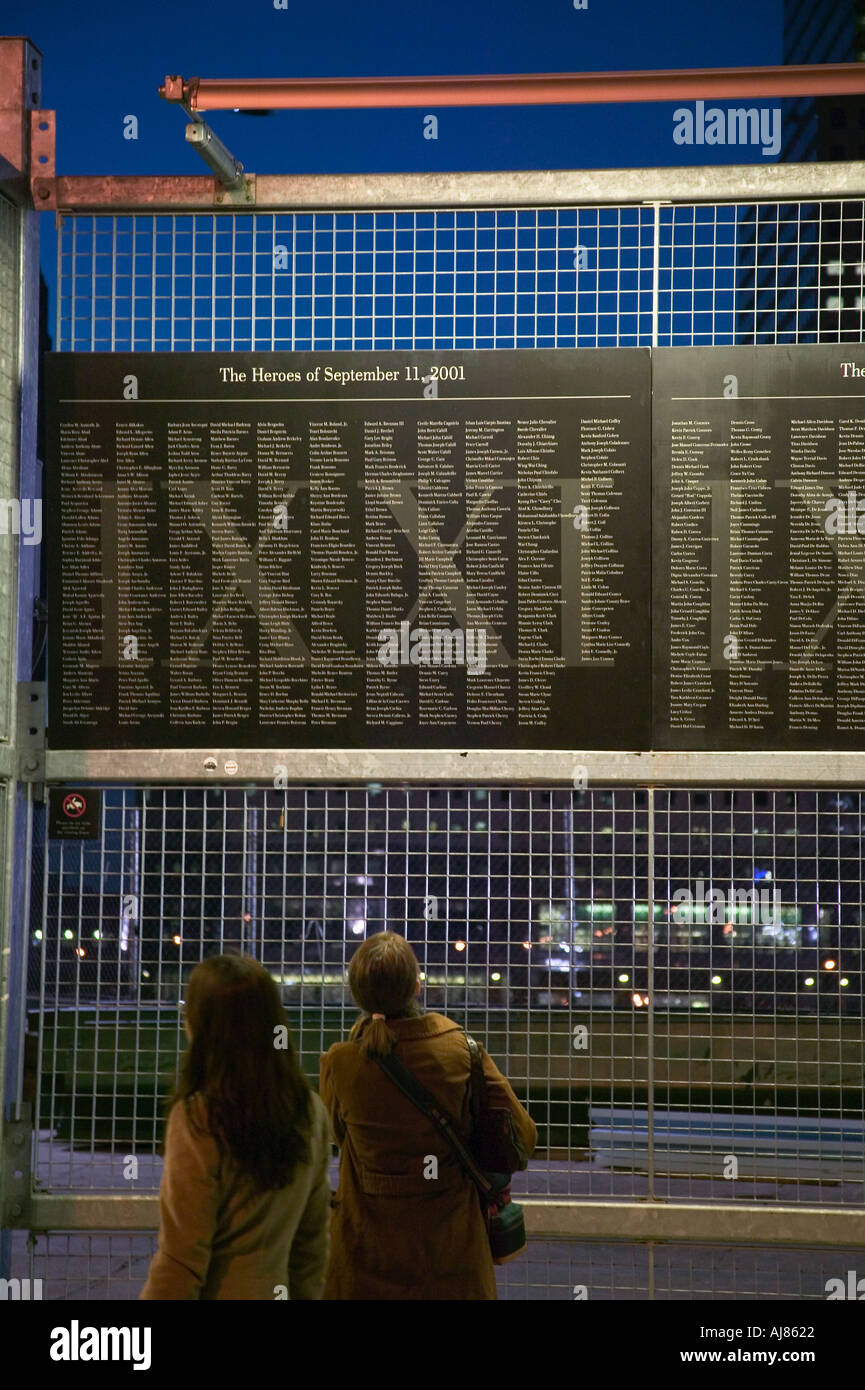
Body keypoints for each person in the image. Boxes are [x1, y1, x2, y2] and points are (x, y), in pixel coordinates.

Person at [320, 931, 537, 1300]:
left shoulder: (340, 1064)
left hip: (365, 1262)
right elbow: (523, 1137)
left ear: (356, 992)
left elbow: (339, 1137)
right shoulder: (461, 1050)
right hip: (452, 1263)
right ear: (416, 986)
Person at [140, 953, 330, 1300]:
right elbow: (311, 1246)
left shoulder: (199, 1118)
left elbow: (181, 1262)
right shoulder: (310, 1112)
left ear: (202, 1026)